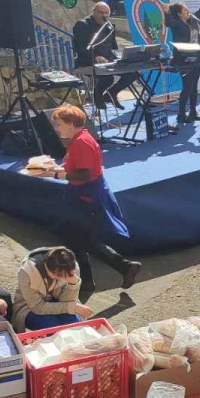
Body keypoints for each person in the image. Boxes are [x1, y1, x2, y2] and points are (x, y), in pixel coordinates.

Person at [48, 106, 142, 291]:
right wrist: (57, 168)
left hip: (86, 195)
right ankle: (95, 277)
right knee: (76, 236)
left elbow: (83, 174)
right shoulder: (80, 139)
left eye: (59, 124)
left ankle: (117, 269)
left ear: (71, 124)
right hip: (83, 193)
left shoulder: (80, 142)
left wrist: (59, 175)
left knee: (79, 237)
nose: (57, 129)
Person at [12, 247, 93, 332]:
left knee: (75, 325)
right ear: (48, 268)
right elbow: (37, 307)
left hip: (58, 304)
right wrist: (72, 308)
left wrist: (73, 284)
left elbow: (67, 301)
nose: (63, 279)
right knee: (54, 328)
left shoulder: (71, 269)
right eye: (60, 276)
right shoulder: (27, 271)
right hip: (29, 308)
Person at [73, 1, 135, 109]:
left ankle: (111, 94)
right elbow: (80, 47)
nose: (104, 16)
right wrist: (95, 56)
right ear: (93, 12)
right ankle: (98, 97)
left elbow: (113, 47)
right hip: (87, 61)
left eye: (107, 13)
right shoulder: (82, 24)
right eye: (101, 13)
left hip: (108, 61)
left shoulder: (109, 26)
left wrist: (121, 57)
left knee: (132, 74)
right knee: (108, 78)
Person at [163, 0, 200, 125]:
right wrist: (166, 12)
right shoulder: (177, 24)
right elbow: (169, 23)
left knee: (194, 85)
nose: (187, 11)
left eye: (187, 9)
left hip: (196, 57)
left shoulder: (193, 21)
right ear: (179, 14)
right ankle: (180, 114)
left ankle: (193, 112)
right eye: (185, 10)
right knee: (187, 86)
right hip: (183, 59)